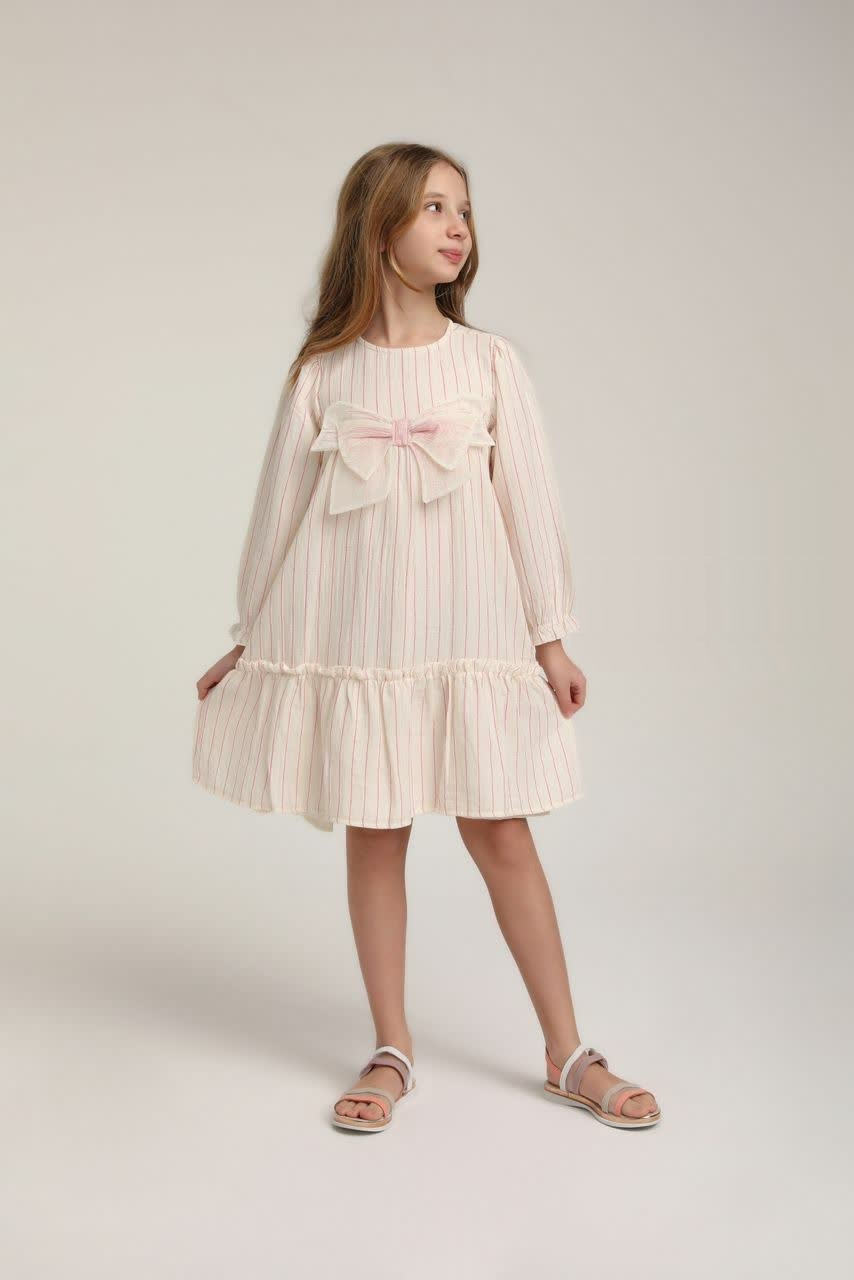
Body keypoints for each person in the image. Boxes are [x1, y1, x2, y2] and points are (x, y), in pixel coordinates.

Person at [192, 142, 660, 1133]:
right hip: (362, 641)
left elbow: (529, 503)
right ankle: (390, 1046)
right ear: (379, 228)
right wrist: (249, 637)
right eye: (434, 207)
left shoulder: (488, 363)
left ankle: (567, 1050)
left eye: (465, 210)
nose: (457, 227)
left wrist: (550, 638)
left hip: (467, 636)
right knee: (376, 832)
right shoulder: (324, 372)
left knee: (502, 831)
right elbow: (276, 515)